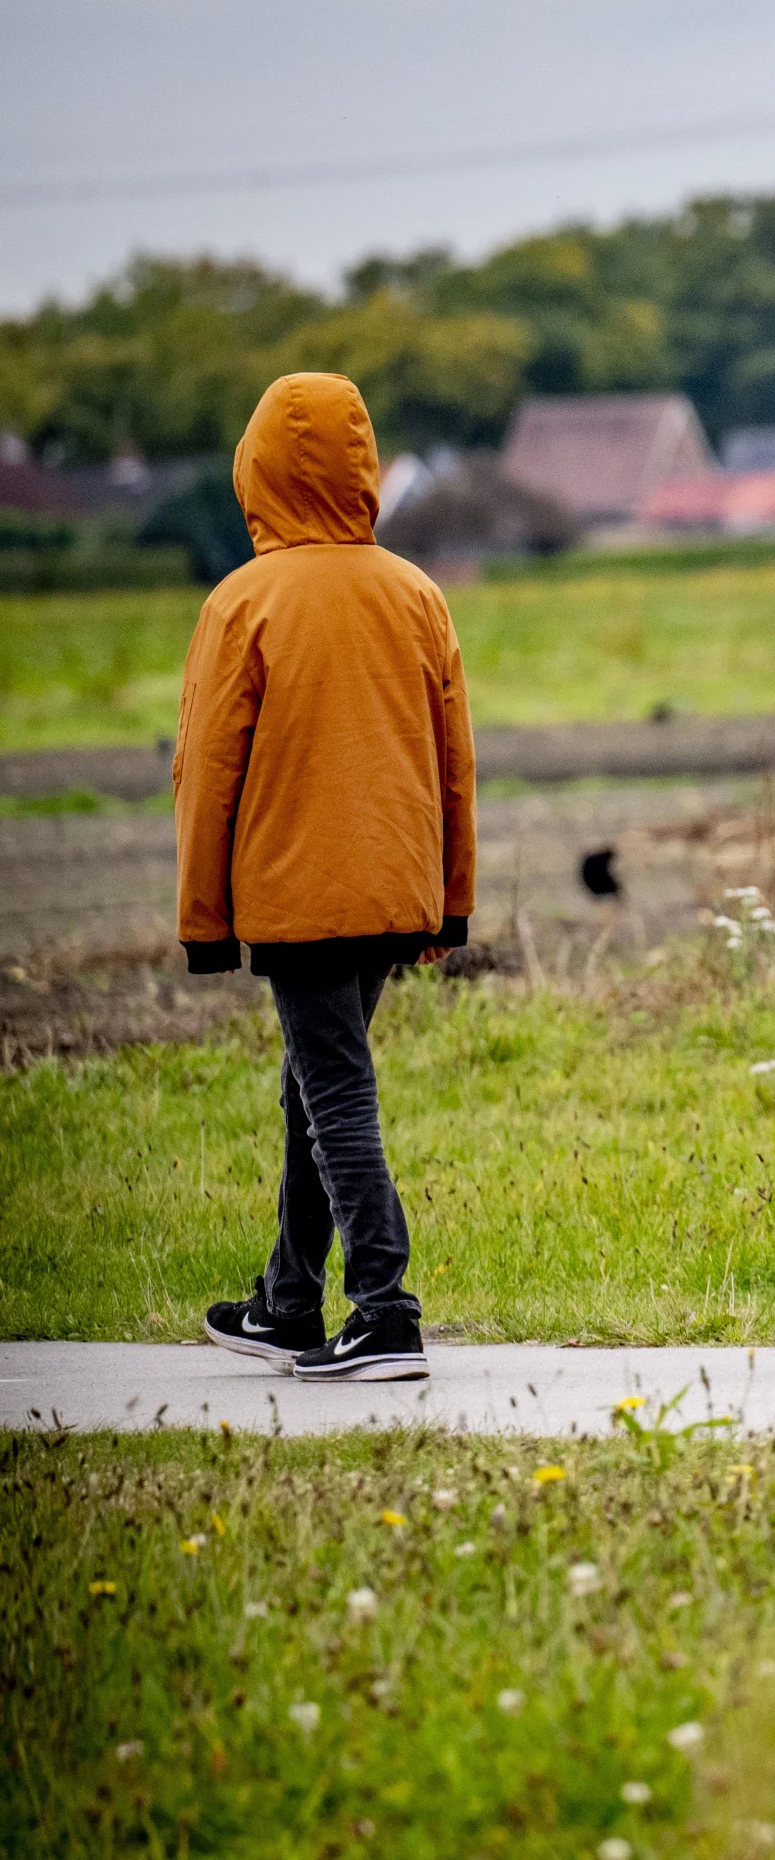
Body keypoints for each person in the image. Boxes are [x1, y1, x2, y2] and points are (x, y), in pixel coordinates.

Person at [180, 373, 478, 1384]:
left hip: (296, 893)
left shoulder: (241, 603)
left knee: (335, 1089)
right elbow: (453, 763)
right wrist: (452, 900)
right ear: (362, 468)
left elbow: (207, 774)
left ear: (255, 471)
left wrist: (206, 920)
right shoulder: (416, 593)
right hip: (396, 887)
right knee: (313, 1082)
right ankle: (289, 1299)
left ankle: (386, 1308)